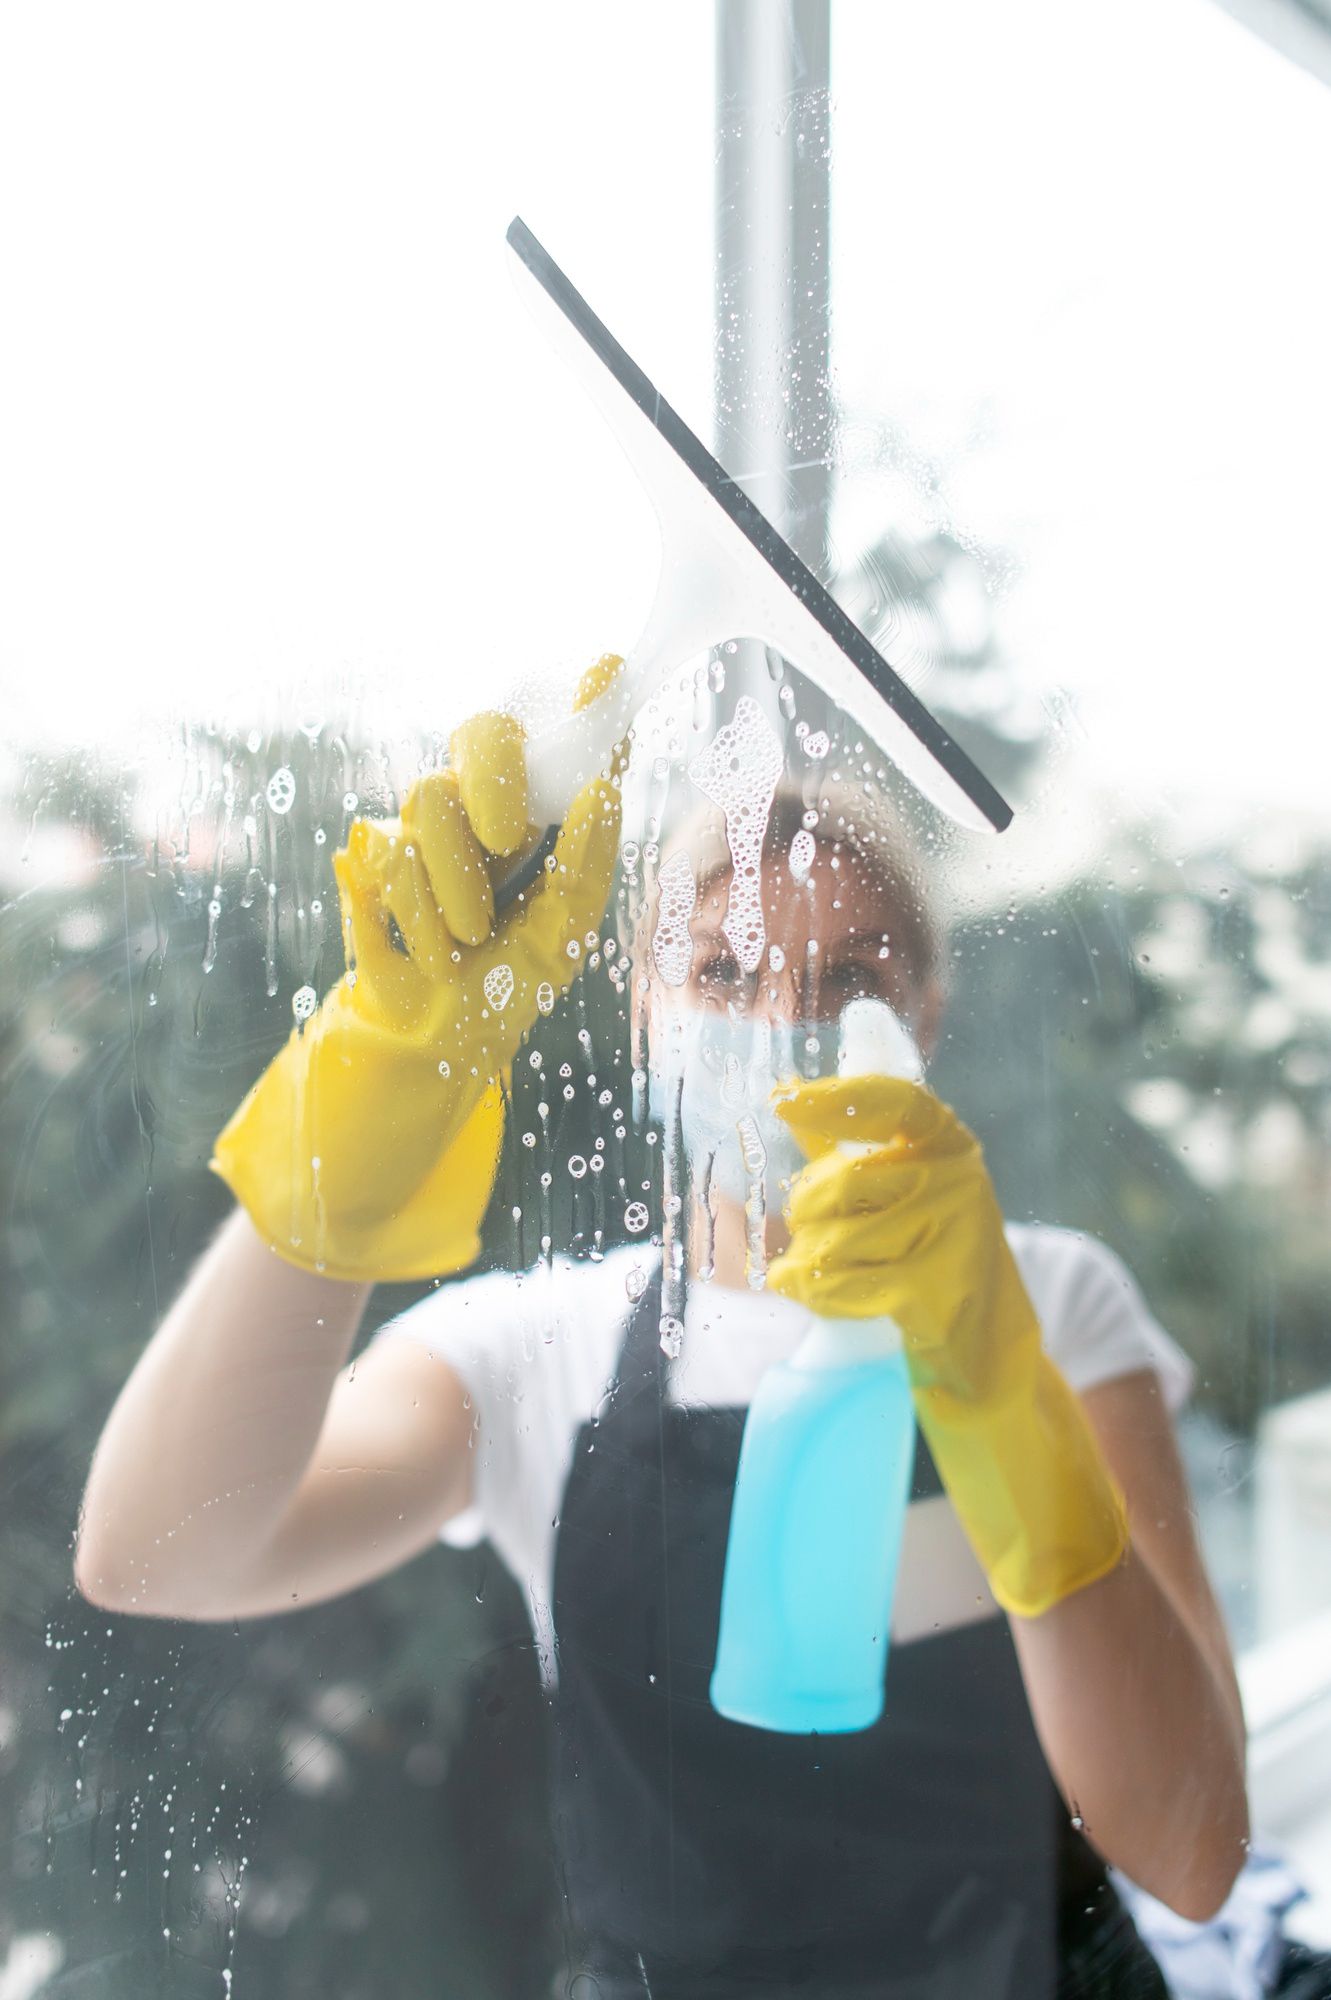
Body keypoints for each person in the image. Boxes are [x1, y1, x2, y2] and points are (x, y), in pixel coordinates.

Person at [74, 672, 1250, 1998]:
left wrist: (996, 1384)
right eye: (725, 969)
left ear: (919, 1018)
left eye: (848, 976)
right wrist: (362, 1111)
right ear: (645, 1010)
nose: (780, 1025)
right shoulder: (533, 1354)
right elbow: (155, 1554)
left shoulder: (1054, 1303)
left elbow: (1194, 1850)